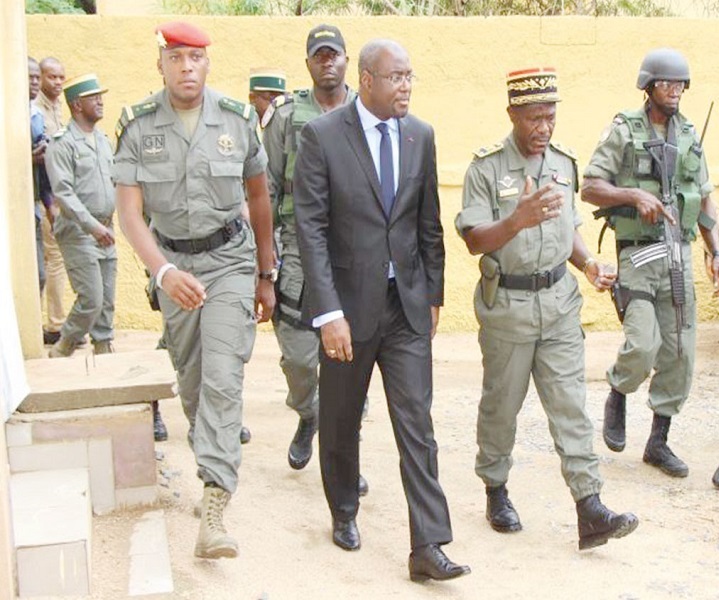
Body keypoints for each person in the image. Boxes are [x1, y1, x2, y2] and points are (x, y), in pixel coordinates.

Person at [293, 38, 469, 582]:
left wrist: (434, 293)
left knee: (417, 422)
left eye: (410, 76)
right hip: (347, 310)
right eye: (396, 77)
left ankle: (428, 547)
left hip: (406, 307)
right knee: (342, 421)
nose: (406, 86)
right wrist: (328, 314)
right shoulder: (321, 137)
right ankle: (344, 508)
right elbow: (312, 231)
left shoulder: (421, 136)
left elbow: (428, 223)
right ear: (366, 80)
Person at [456, 67, 639, 550]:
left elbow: (568, 229)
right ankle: (496, 489)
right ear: (512, 113)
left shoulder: (563, 162)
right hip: (508, 308)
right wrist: (516, 220)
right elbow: (475, 240)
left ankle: (590, 507)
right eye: (534, 117)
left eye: (551, 116)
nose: (544, 128)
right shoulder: (486, 168)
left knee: (571, 406)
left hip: (558, 303)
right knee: (501, 407)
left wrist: (588, 264)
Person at [114, 21, 275, 560]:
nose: (187, 68)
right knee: (192, 379)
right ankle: (210, 451)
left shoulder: (234, 120)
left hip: (229, 260)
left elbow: (259, 199)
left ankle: (214, 505)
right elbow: (130, 213)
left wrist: (265, 272)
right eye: (177, 59)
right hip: (173, 263)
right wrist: (162, 273)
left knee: (224, 377)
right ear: (160, 64)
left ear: (208, 64)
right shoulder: (137, 125)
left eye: (196, 59)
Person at [582, 48, 719, 478]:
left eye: (680, 84)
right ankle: (618, 392)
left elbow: (704, 198)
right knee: (643, 344)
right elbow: (590, 187)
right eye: (666, 84)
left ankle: (658, 441)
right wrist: (634, 195)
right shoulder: (624, 129)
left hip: (677, 258)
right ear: (648, 86)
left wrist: (715, 249)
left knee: (679, 352)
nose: (675, 91)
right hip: (639, 256)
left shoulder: (691, 135)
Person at [264, 25, 367, 494]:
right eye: (318, 56)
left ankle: (345, 455)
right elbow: (263, 188)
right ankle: (309, 413)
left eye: (334, 54)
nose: (327, 62)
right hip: (297, 244)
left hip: (355, 248)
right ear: (308, 64)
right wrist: (262, 261)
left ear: (346, 60)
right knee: (301, 356)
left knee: (352, 360)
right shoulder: (287, 115)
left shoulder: (367, 109)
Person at [45, 74, 117, 358]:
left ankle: (103, 349)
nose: (100, 102)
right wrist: (92, 226)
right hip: (79, 232)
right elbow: (63, 193)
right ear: (76, 105)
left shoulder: (102, 140)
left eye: (100, 96)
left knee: (107, 300)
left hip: (106, 230)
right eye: (94, 98)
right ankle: (64, 345)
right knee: (91, 299)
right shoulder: (62, 144)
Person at [35, 57, 68, 346]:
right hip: (46, 196)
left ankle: (56, 321)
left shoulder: (58, 107)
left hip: (57, 195)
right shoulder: (35, 110)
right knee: (52, 258)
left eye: (61, 78)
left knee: (54, 260)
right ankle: (55, 323)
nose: (57, 83)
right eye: (52, 77)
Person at [29, 56, 50, 295]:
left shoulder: (36, 114)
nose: (35, 82)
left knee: (38, 276)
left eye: (37, 77)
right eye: (30, 77)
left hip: (34, 205)